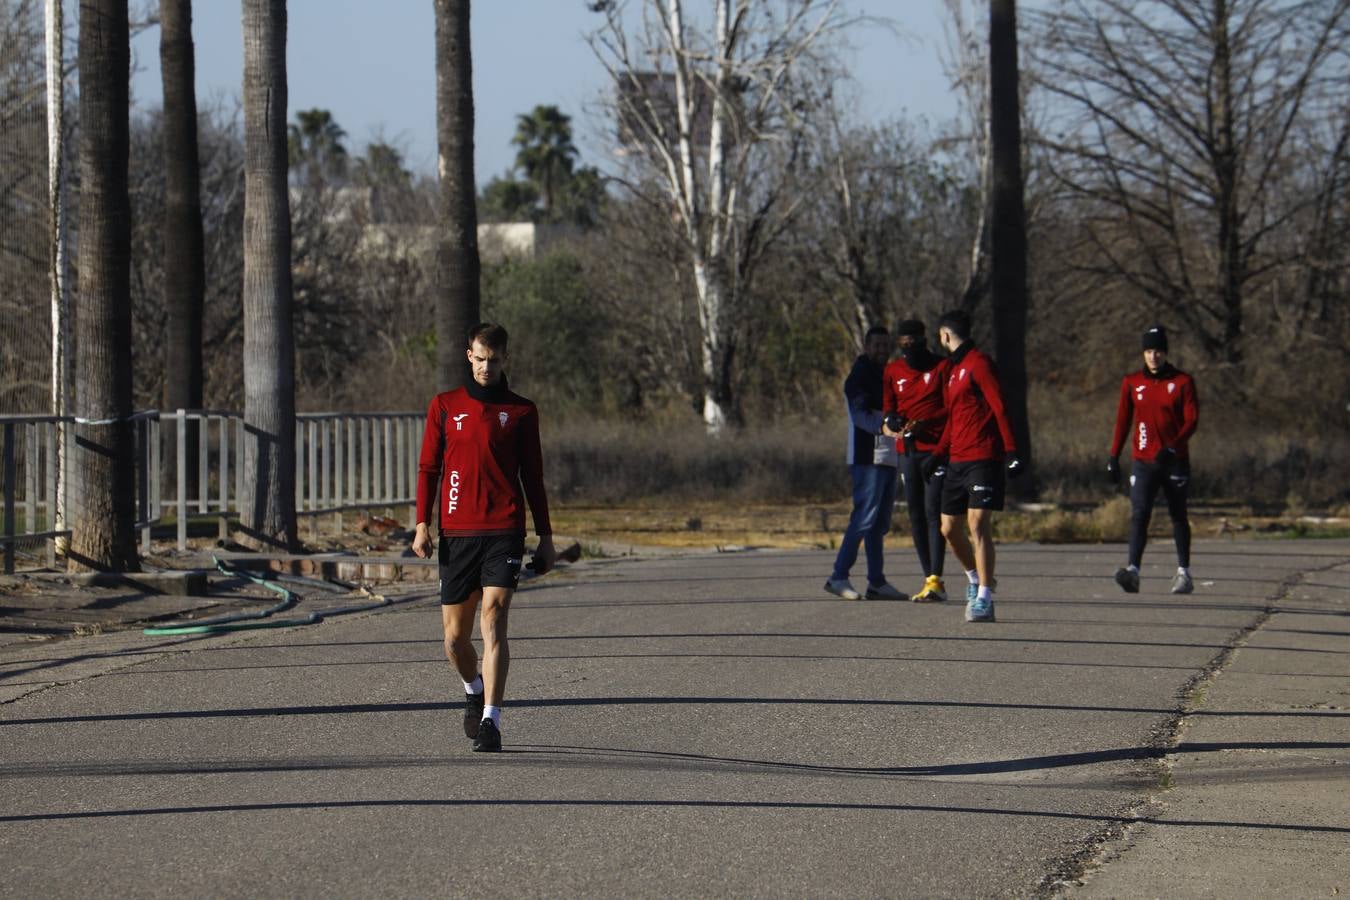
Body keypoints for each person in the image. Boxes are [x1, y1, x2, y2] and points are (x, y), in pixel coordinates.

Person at [412, 323, 557, 752]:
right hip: (457, 533)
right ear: (468, 355)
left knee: (493, 620)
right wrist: (422, 522)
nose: (486, 367)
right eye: (480, 358)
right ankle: (473, 687)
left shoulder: (522, 412)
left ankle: (492, 720)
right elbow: (428, 469)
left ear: (504, 360)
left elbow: (534, 477)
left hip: (504, 530)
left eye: (494, 360)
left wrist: (545, 537)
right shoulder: (444, 406)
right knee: (454, 640)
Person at [922, 310, 1022, 623]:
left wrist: (1011, 450)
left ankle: (984, 599)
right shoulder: (953, 370)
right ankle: (975, 579)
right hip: (957, 460)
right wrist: (937, 455)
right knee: (949, 528)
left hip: (984, 457)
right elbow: (955, 417)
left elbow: (999, 405)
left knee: (977, 524)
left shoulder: (980, 363)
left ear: (945, 335)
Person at [1108, 325, 1199, 594]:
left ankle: (1184, 573)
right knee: (1139, 513)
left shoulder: (1182, 382)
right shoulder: (1133, 383)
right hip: (1143, 460)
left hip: (1174, 461)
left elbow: (1192, 420)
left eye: (1158, 351)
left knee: (1178, 515)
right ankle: (1133, 571)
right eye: (1148, 351)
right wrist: (1113, 456)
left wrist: (1173, 447)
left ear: (1165, 353)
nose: (1153, 356)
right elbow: (1123, 422)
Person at [824, 325, 908, 601]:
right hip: (867, 457)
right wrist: (882, 426)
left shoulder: (891, 374)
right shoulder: (858, 377)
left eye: (886, 345)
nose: (882, 350)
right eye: (877, 346)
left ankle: (876, 581)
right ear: (866, 347)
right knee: (863, 518)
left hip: (888, 456)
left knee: (879, 523)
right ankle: (838, 576)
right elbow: (860, 414)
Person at [882, 319, 949, 602]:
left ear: (924, 339)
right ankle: (928, 578)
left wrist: (926, 422)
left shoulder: (942, 367)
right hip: (907, 451)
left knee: (934, 510)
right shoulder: (892, 370)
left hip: (937, 450)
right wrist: (892, 418)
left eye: (914, 342)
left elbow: (951, 407)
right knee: (916, 514)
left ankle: (936, 577)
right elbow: (888, 406)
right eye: (903, 344)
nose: (909, 349)